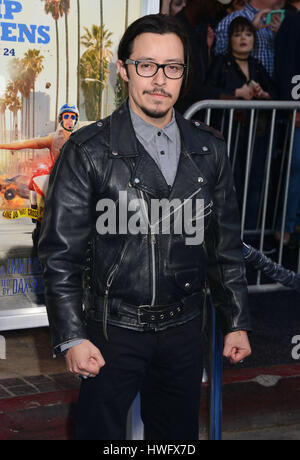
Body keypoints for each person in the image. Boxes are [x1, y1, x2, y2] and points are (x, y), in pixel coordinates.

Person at [38, 14, 251, 441]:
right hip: (111, 330)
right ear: (124, 69)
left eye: (172, 67)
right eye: (146, 65)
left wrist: (236, 319)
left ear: (184, 74)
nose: (159, 79)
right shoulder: (88, 151)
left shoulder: (210, 149)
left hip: (185, 329)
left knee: (175, 440)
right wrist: (71, 336)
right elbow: (60, 254)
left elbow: (225, 245)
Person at [206, 16, 277, 231]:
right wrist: (236, 94)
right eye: (237, 34)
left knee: (254, 184)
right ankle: (224, 236)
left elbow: (276, 93)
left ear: (254, 40)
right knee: (228, 185)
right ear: (230, 40)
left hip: (254, 137)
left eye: (247, 34)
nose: (243, 38)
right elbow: (206, 91)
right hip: (227, 135)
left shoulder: (257, 66)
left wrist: (263, 94)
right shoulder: (221, 63)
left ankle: (249, 238)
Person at [0, 104, 79, 245]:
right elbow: (28, 143)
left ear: (76, 120)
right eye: (66, 116)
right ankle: (38, 216)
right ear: (61, 119)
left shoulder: (82, 138)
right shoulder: (52, 138)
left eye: (72, 117)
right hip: (57, 180)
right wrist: (3, 146)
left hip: (77, 181)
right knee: (39, 182)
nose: (69, 120)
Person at [274, 8, 300, 244]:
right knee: (294, 170)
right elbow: (289, 65)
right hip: (296, 110)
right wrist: (294, 105)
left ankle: (291, 225)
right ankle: (284, 229)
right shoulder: (292, 21)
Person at [214, 0, 283, 76]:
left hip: (271, 86)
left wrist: (281, 36)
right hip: (244, 86)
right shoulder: (232, 20)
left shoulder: (280, 20)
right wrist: (251, 30)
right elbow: (221, 63)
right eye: (238, 34)